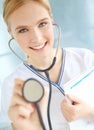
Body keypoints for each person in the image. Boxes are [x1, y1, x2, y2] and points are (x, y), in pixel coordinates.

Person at [1, 0, 94, 130]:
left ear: (51, 19)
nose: (37, 38)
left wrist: (89, 112)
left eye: (42, 24)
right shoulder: (12, 86)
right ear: (11, 33)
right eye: (23, 30)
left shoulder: (85, 59)